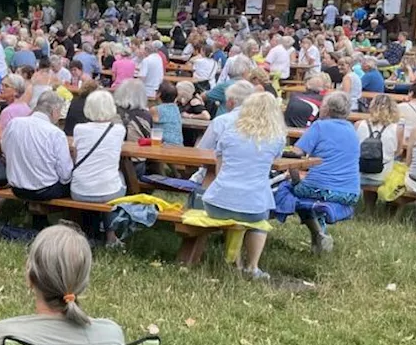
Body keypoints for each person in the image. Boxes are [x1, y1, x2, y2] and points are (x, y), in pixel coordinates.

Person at [203, 92, 286, 280]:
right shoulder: (277, 139)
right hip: (253, 204)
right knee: (259, 222)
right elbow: (272, 161)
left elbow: (219, 170)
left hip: (217, 202)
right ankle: (252, 266)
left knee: (233, 209)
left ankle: (236, 260)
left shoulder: (229, 133)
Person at [286, 92, 361, 253]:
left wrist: (293, 177)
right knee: (306, 191)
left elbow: (296, 153)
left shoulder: (319, 126)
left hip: (320, 189)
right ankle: (319, 236)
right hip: (351, 191)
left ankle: (318, 232)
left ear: (326, 108)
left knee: (287, 189)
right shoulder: (352, 129)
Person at [3, 93, 72, 227]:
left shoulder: (14, 123)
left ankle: (38, 223)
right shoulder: (55, 133)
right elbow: (65, 175)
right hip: (45, 190)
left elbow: (5, 149)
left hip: (17, 188)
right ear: (54, 111)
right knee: (77, 187)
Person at [71, 91, 127, 246]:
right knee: (118, 178)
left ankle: (89, 231)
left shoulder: (79, 129)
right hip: (108, 191)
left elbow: (76, 158)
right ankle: (111, 234)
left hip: (79, 191)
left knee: (100, 179)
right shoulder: (119, 130)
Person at [357, 95, 401, 188]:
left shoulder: (359, 124)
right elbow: (398, 151)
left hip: (360, 173)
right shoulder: (397, 128)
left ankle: (369, 202)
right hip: (384, 175)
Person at [153, 81, 184, 146]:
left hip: (164, 145)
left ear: (159, 94)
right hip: (179, 145)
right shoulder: (176, 108)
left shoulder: (155, 109)